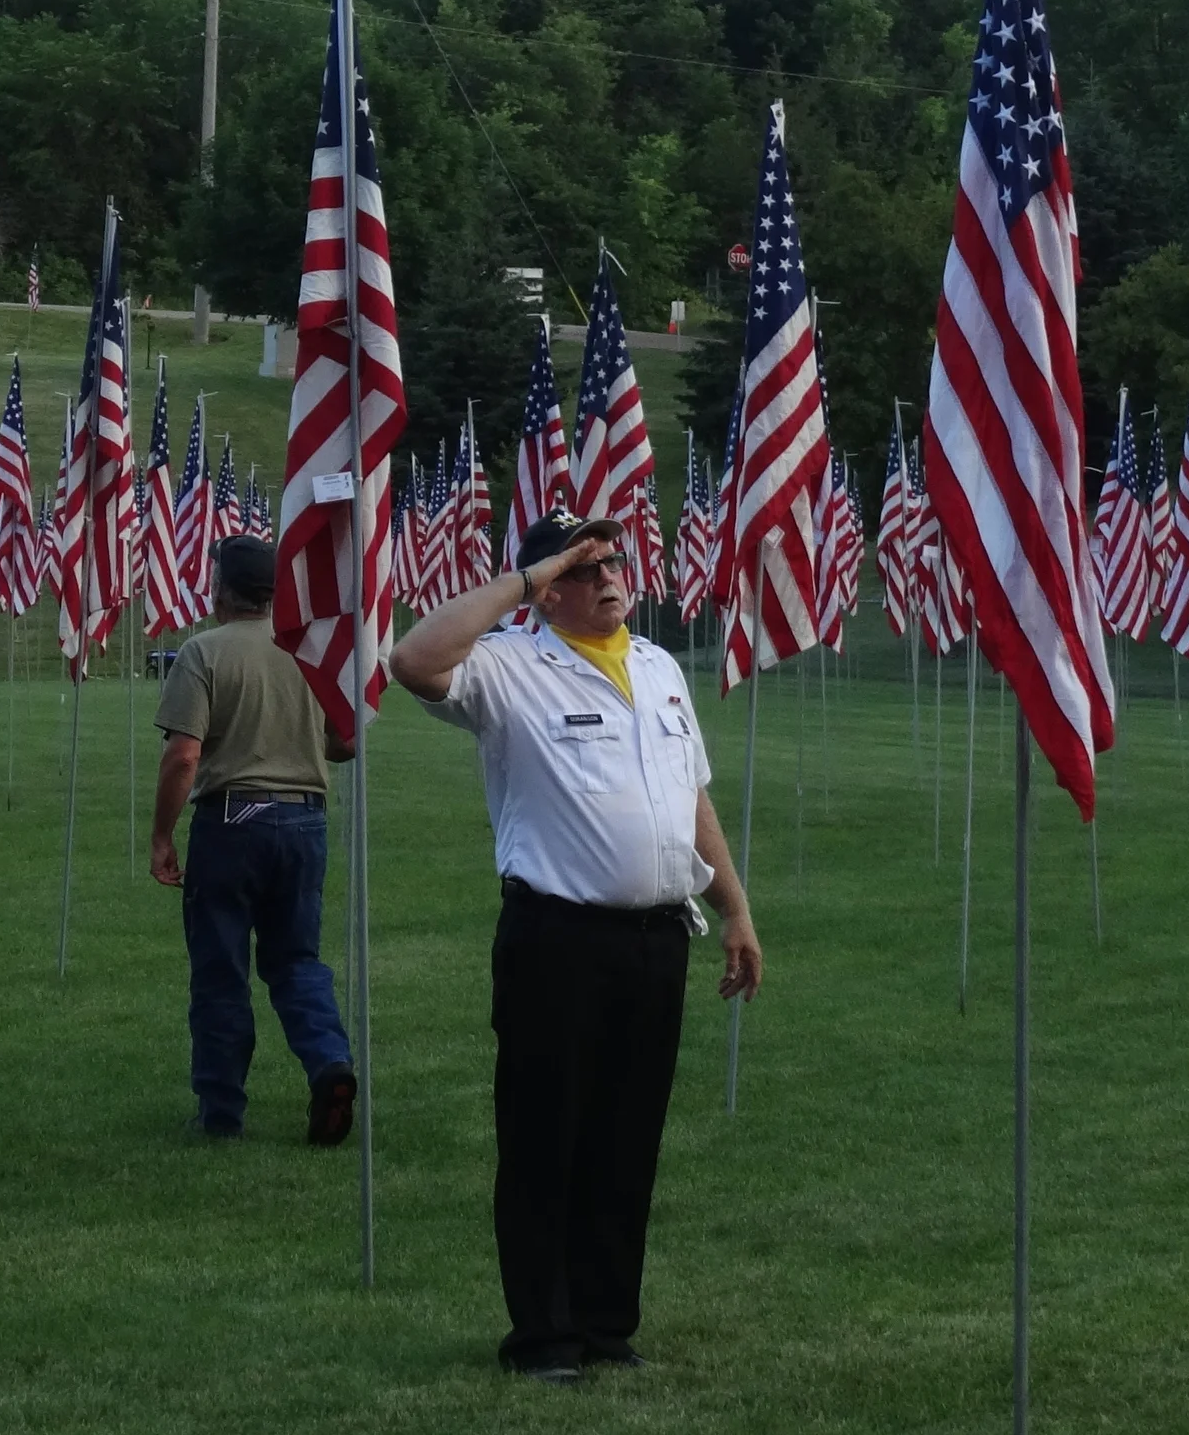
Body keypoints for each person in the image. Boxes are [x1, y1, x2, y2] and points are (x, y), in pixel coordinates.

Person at [391, 509, 763, 1385]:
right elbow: (412, 658)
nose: (609, 576)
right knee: (543, 1136)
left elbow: (691, 804)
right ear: (547, 588)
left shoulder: (660, 667)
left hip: (656, 939)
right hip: (556, 940)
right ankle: (543, 1335)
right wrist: (530, 573)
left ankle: (605, 1321)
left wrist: (736, 909)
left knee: (626, 1137)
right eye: (585, 567)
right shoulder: (509, 668)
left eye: (613, 561)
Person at [148, 535, 357, 1145]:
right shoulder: (310, 653)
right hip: (305, 820)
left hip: (231, 822)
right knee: (296, 962)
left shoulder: (203, 652)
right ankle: (328, 1063)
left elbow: (183, 756)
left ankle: (221, 1113)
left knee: (221, 970)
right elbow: (344, 744)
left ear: (222, 592)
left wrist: (162, 835)